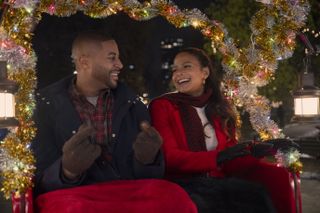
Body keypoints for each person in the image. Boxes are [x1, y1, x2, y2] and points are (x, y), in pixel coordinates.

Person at [31, 31, 197, 213]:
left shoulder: (134, 105)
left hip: (129, 195)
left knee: (175, 196)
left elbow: (149, 179)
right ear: (85, 62)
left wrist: (147, 160)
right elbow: (37, 182)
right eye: (112, 58)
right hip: (76, 197)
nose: (120, 64)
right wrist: (67, 170)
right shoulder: (44, 107)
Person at [150, 48, 299, 213]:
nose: (178, 73)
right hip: (183, 184)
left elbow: (230, 162)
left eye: (186, 66)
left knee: (260, 195)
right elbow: (171, 158)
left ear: (204, 73)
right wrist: (218, 157)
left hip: (218, 182)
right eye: (175, 69)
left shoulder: (219, 108)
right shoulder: (162, 106)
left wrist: (258, 150)